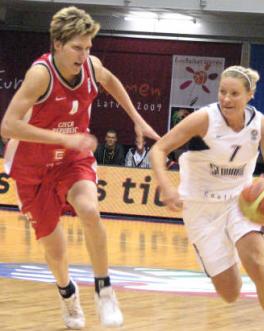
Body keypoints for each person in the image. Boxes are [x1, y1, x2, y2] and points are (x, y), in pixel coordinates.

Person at [1, 6, 159, 330]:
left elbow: (111, 81)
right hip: (34, 170)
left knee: (90, 210)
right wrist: (62, 137)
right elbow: (8, 126)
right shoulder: (40, 75)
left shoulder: (92, 66)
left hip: (72, 161)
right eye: (77, 47)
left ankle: (104, 289)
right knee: (55, 251)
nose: (84, 54)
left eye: (88, 47)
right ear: (57, 45)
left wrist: (137, 119)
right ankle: (67, 293)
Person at [150, 65, 264, 331]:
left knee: (258, 264)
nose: (226, 99)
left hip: (240, 202)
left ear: (250, 95)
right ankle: (228, 253)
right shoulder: (204, 119)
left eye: (234, 93)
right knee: (230, 293)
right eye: (222, 92)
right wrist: (167, 186)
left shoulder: (261, 124)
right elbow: (159, 149)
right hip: (201, 208)